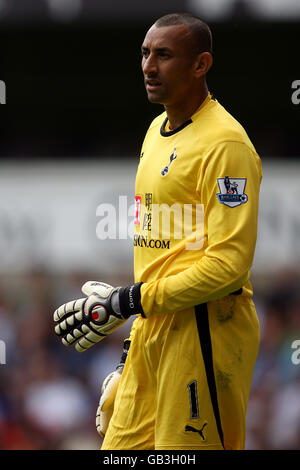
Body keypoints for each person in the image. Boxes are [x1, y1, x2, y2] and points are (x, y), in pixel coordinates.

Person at [54, 13, 262, 450]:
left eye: (164, 55)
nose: (149, 66)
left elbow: (228, 265)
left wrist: (126, 301)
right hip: (153, 331)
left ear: (200, 64)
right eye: (146, 53)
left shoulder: (225, 145)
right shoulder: (155, 131)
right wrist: (134, 335)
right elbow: (167, 252)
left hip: (206, 330)